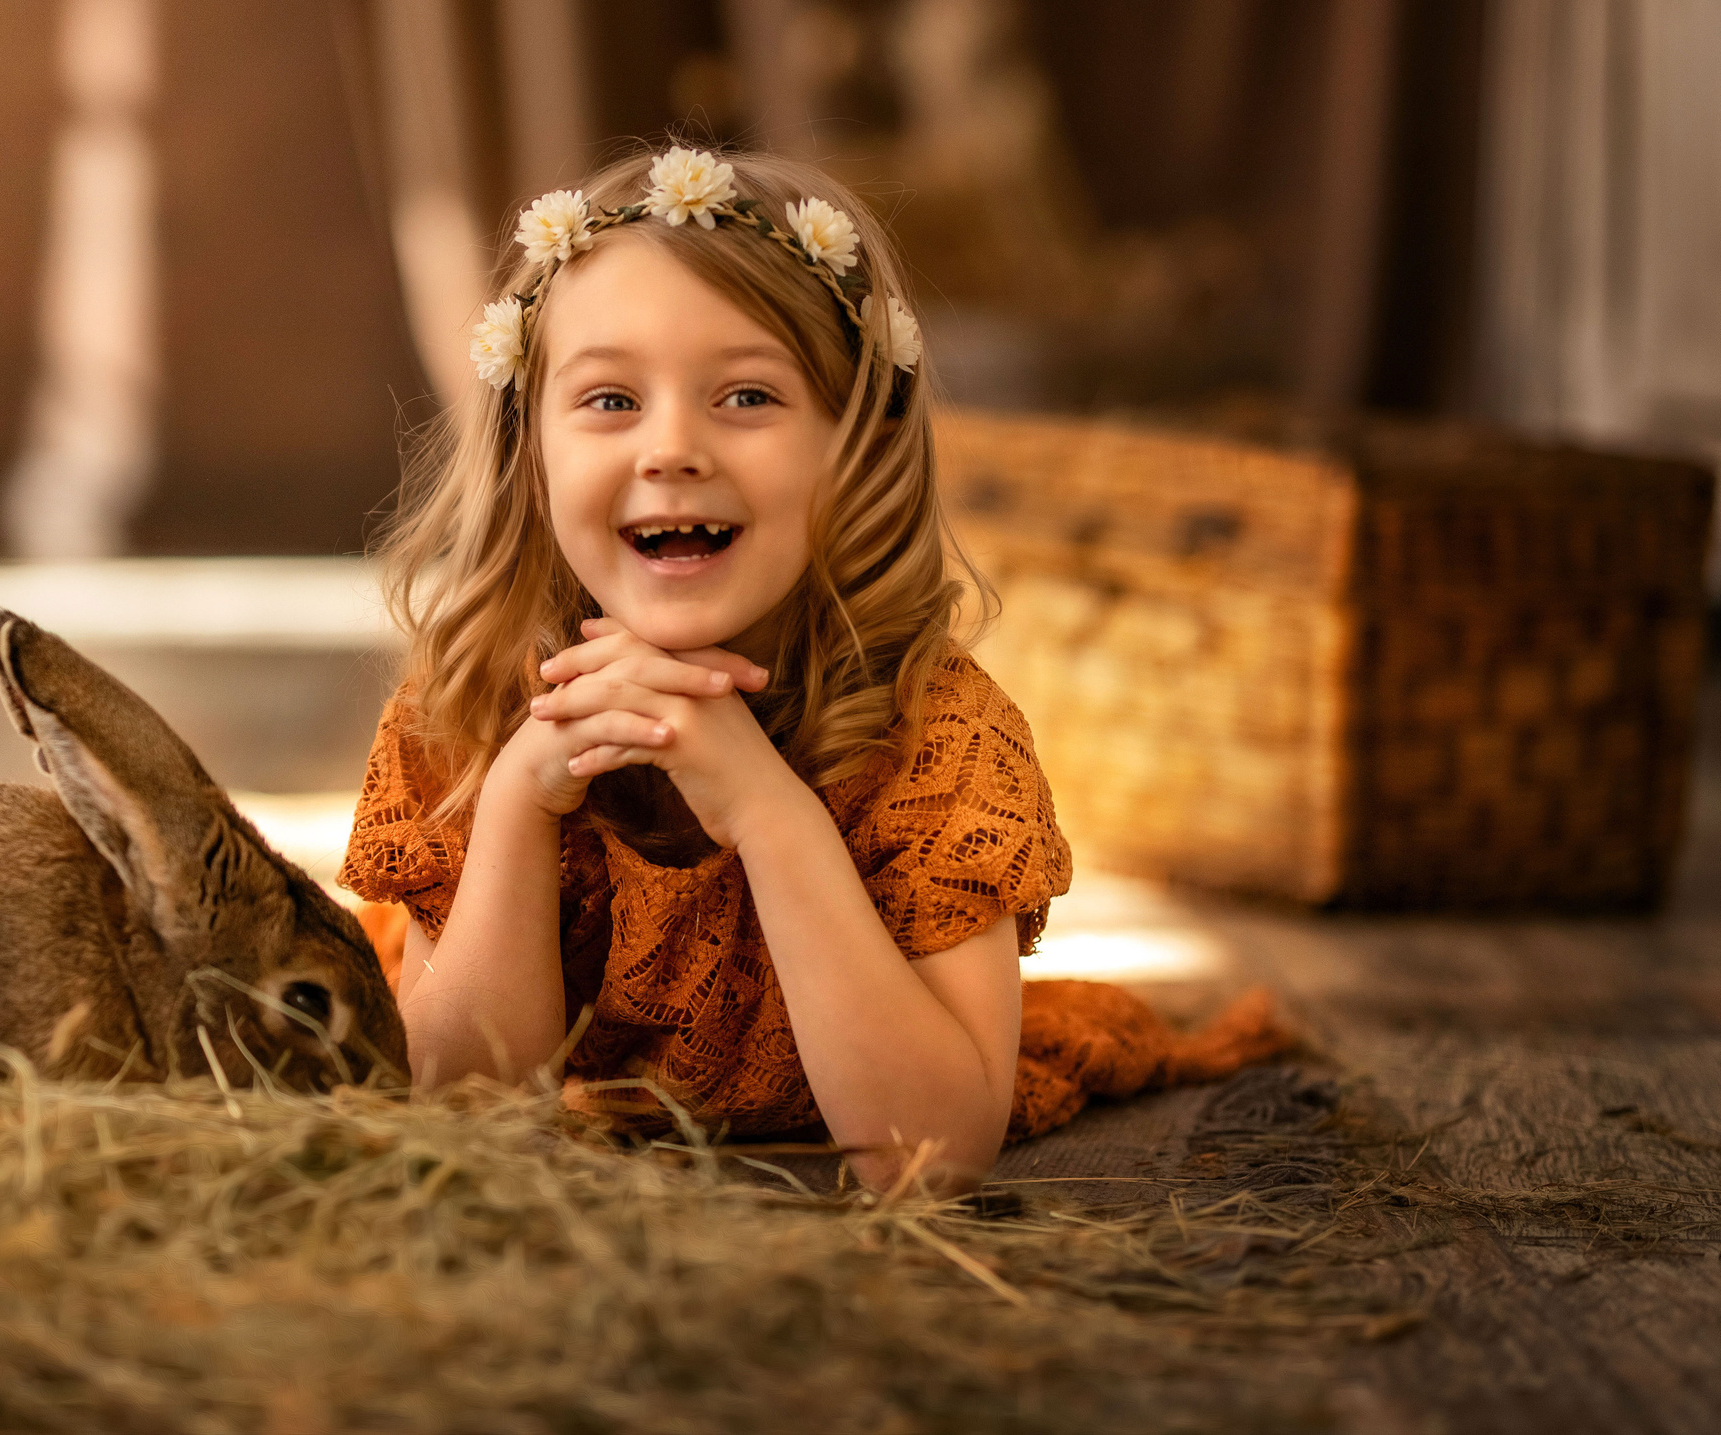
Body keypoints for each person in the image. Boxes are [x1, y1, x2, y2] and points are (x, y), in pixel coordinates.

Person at [338, 144, 1284, 1193]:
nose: (671, 449)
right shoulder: (469, 711)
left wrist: (766, 810)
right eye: (610, 401)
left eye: (745, 396)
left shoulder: (935, 739)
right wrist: (520, 799)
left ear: (855, 446)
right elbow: (459, 1113)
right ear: (532, 454)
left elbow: (922, 1160)